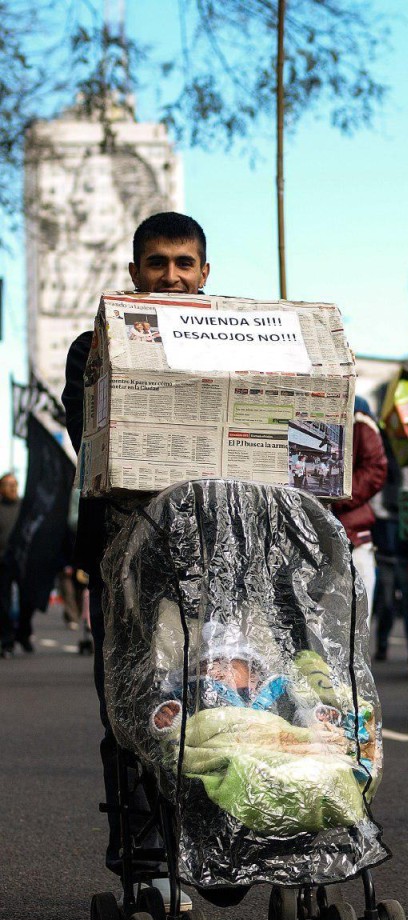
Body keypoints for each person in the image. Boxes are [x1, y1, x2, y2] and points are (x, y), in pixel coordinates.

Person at [62, 211, 210, 874]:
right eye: (158, 263)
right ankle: (143, 846)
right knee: (130, 702)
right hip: (125, 558)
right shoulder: (91, 349)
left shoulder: (239, 343)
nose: (172, 276)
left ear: (204, 273)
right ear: (134, 272)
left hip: (220, 561)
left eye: (184, 264)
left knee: (222, 695)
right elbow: (90, 440)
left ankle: (216, 840)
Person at [333, 396, 387, 624]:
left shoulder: (357, 409)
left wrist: (335, 497)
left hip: (351, 535)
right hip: (303, 532)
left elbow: (375, 468)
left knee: (354, 624)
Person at [0, 472, 34, 656]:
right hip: (3, 561)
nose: (12, 487)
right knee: (3, 602)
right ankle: (7, 639)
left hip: (24, 561)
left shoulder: (24, 508)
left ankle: (23, 634)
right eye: (7, 484)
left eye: (14, 484)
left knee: (27, 600)